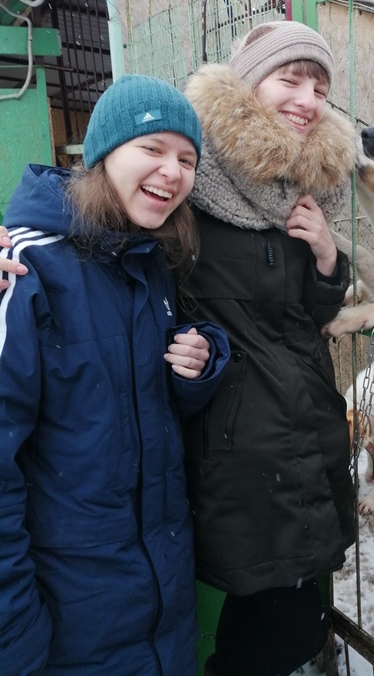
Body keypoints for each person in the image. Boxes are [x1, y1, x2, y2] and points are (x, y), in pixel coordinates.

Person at [0, 74, 230, 676]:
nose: (172, 171)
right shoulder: (24, 269)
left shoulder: (150, 260)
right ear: (103, 153)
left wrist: (198, 364)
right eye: (152, 148)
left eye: (187, 160)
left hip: (160, 605)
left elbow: (132, 403)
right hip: (69, 616)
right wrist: (14, 636)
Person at [181, 20, 358, 676]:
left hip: (306, 431)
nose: (307, 100)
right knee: (275, 627)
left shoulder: (308, 187)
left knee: (290, 617)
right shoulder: (192, 177)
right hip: (242, 448)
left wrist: (327, 256)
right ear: (249, 83)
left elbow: (313, 316)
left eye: (320, 88)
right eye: (290, 79)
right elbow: (118, 229)